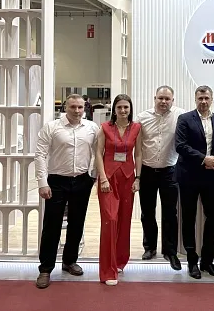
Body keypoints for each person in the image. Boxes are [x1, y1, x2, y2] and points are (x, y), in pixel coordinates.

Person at [34, 94, 99, 289]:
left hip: (82, 181)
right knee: (52, 225)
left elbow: (98, 153)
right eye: (73, 107)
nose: (77, 111)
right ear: (65, 107)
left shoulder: (92, 128)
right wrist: (42, 183)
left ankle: (69, 261)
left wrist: (94, 176)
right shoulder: (52, 127)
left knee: (77, 224)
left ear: (85, 108)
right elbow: (40, 155)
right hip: (56, 181)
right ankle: (45, 269)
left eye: (80, 107)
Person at [175, 85, 214, 279]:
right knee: (189, 218)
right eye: (200, 98)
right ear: (195, 99)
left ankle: (207, 261)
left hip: (211, 175)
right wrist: (203, 159)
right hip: (188, 175)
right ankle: (192, 261)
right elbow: (180, 145)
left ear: (211, 99)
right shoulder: (184, 119)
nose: (204, 101)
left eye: (206, 98)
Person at [95, 94, 142, 285]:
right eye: (119, 107)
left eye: (126, 107)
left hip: (128, 178)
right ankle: (108, 271)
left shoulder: (137, 128)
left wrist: (138, 178)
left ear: (130, 109)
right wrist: (103, 178)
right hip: (108, 179)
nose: (123, 110)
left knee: (124, 220)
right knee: (110, 220)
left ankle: (120, 260)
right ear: (114, 109)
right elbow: (98, 153)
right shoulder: (105, 128)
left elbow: (138, 154)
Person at [136, 85, 185, 270]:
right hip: (147, 171)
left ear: (173, 100)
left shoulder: (181, 116)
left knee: (170, 212)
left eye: (167, 99)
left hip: (170, 171)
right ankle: (149, 248)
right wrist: (137, 175)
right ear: (154, 98)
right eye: (160, 98)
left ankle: (169, 251)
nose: (163, 101)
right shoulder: (142, 118)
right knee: (147, 212)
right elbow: (138, 148)